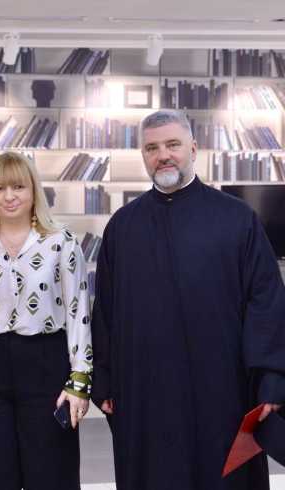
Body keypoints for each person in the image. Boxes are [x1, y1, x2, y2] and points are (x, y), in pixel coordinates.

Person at [91, 109, 285, 490]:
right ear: (143, 155)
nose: (163, 155)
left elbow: (266, 305)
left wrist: (271, 382)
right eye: (152, 148)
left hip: (223, 391)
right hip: (145, 393)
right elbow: (106, 313)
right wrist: (105, 379)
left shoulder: (238, 219)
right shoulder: (122, 227)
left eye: (172, 145)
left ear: (193, 148)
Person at [0, 151, 92, 490]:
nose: (9, 196)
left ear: (34, 190)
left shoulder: (61, 242)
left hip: (46, 366)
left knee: (52, 475)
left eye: (18, 187)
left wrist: (79, 379)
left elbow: (78, 312)